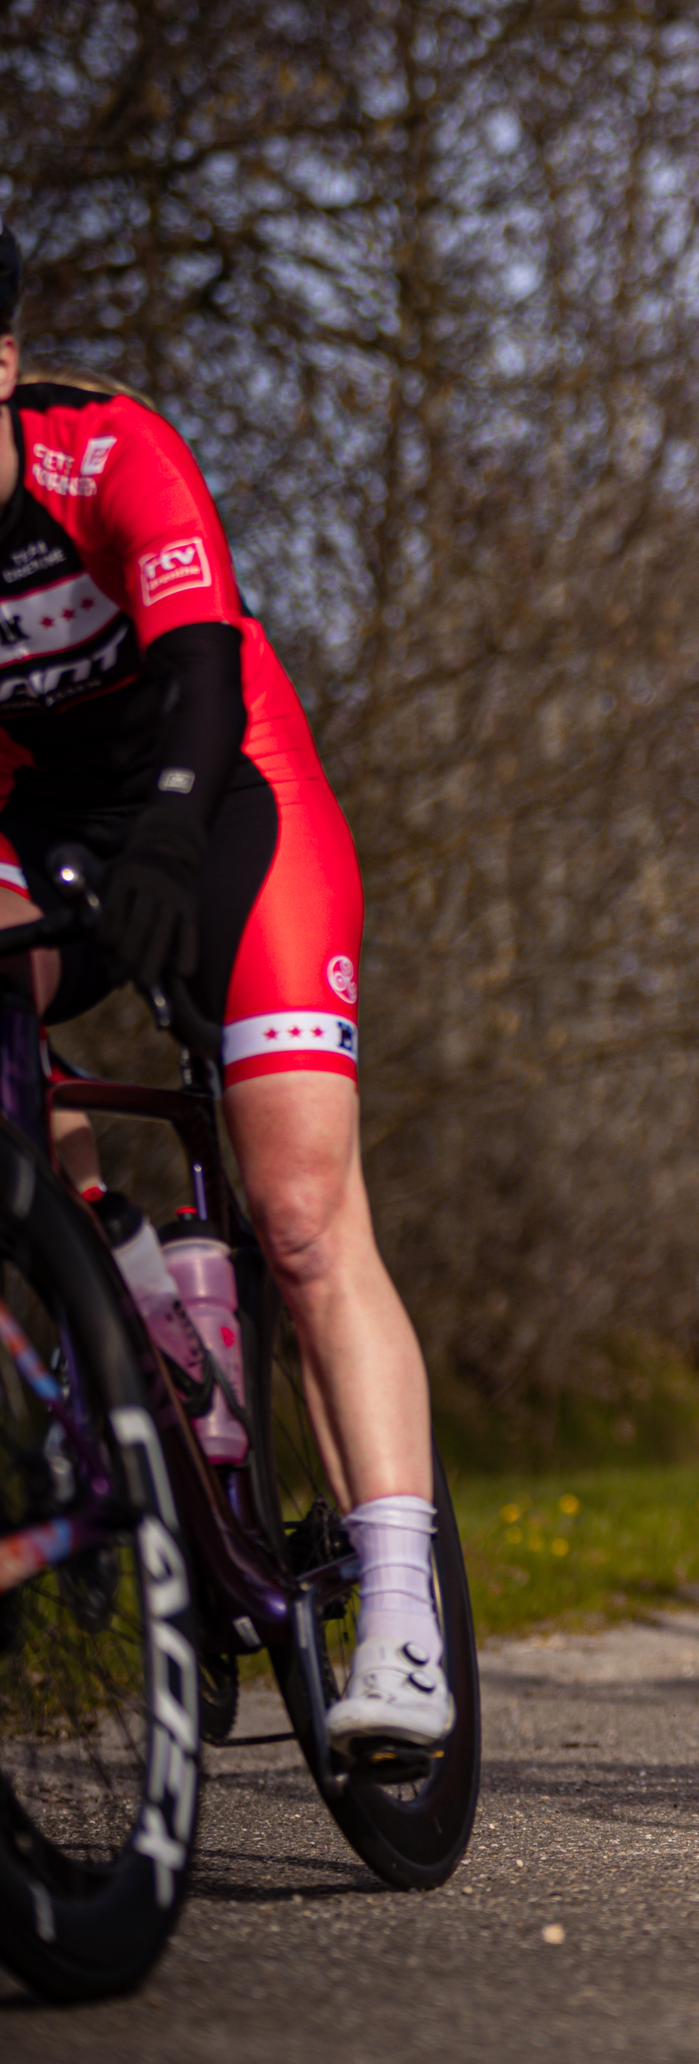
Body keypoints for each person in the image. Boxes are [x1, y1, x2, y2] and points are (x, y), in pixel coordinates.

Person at [0, 227, 450, 1752]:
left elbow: (196, 656)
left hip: (231, 794)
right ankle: (120, 1273)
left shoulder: (101, 450)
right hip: (36, 820)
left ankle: (399, 1620)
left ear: (1, 367)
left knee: (306, 1219)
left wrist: (169, 843)